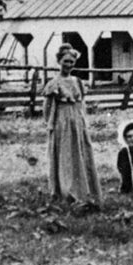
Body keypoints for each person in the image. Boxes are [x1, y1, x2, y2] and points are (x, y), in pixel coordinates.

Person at [42, 43, 101, 207]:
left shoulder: (77, 81)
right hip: (62, 121)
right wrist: (51, 124)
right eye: (65, 61)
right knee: (65, 155)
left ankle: (83, 190)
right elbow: (46, 107)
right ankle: (66, 191)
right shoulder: (54, 83)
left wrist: (82, 121)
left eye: (71, 62)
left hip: (77, 121)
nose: (68, 65)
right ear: (59, 61)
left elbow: (82, 104)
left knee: (80, 153)